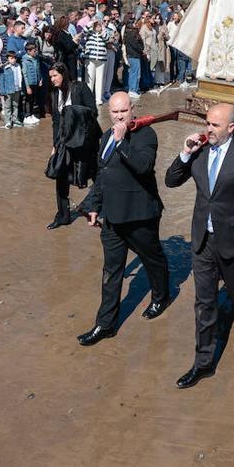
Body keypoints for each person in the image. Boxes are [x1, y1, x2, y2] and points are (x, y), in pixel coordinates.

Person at [165, 103, 234, 389]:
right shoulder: (198, 151)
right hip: (203, 240)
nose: (208, 129)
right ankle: (203, 363)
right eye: (207, 123)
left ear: (231, 127)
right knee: (204, 301)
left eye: (214, 125)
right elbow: (171, 181)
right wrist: (185, 152)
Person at [76, 92, 170, 345]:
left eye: (124, 111)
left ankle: (161, 297)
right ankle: (105, 324)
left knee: (153, 259)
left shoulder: (146, 134)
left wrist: (122, 142)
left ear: (133, 109)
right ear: (109, 112)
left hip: (140, 215)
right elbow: (102, 175)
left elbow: (143, 166)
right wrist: (93, 206)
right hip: (112, 217)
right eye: (115, 112)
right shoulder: (106, 137)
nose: (119, 116)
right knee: (111, 270)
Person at [46, 62, 100, 229]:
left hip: (84, 142)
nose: (52, 79)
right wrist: (55, 145)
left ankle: (106, 206)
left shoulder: (80, 87)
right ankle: (63, 216)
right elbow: (56, 122)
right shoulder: (55, 95)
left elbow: (93, 111)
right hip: (64, 143)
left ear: (64, 74)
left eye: (55, 76)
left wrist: (71, 112)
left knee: (96, 174)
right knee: (60, 176)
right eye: (50, 77)